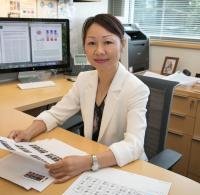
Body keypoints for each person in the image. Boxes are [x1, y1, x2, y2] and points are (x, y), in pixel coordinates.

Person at [8, 14, 149, 183]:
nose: (99, 51)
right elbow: (55, 114)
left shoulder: (136, 89)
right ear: (85, 47)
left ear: (122, 44)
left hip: (123, 167)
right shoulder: (84, 79)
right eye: (91, 43)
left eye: (108, 42)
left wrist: (89, 162)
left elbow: (134, 145)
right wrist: (27, 132)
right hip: (91, 166)